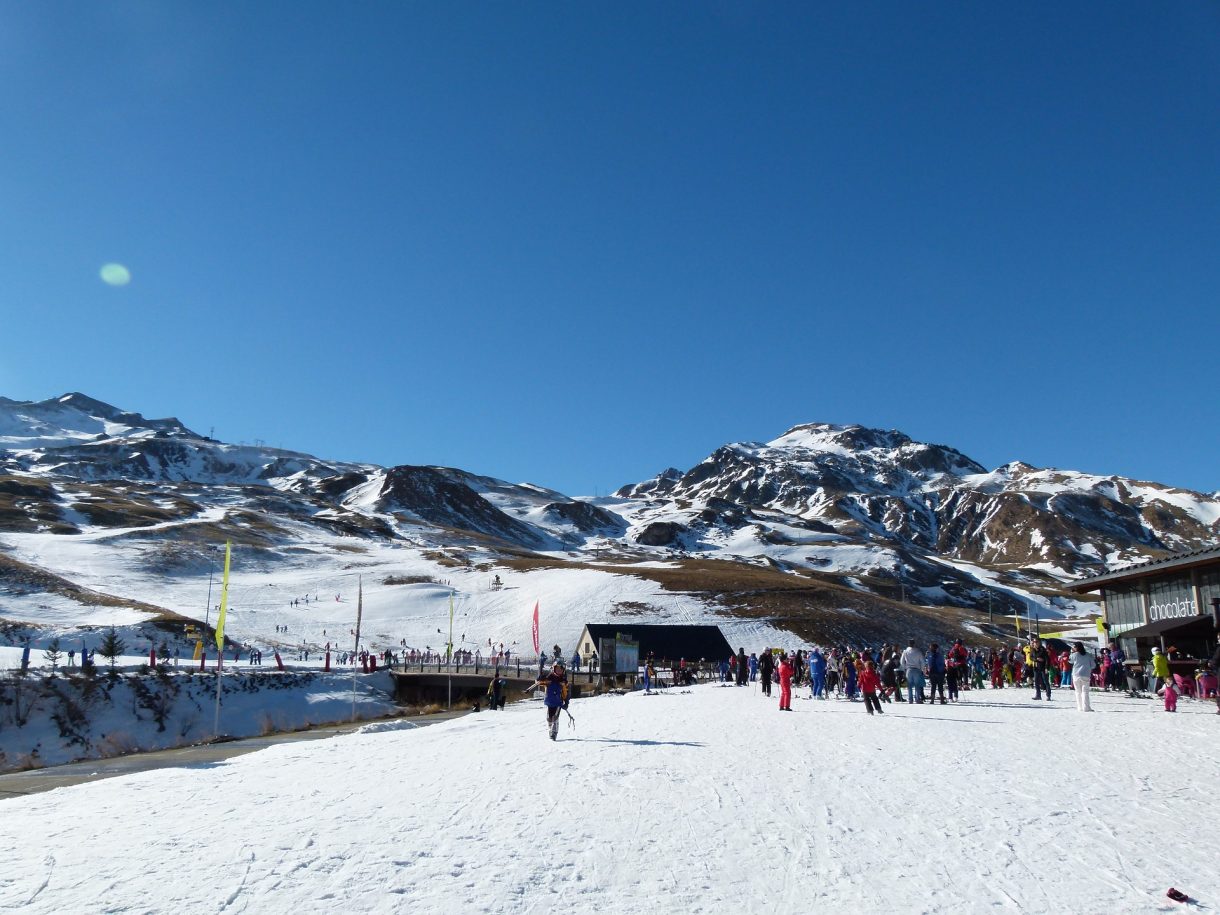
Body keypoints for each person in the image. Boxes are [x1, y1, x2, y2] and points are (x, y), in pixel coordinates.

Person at [536, 662, 569, 740]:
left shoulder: (563, 682)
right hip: (550, 702)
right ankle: (550, 730)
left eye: (560, 669)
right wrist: (541, 678)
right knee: (549, 718)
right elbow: (539, 682)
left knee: (555, 717)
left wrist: (566, 702)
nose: (559, 671)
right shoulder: (549, 679)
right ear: (554, 669)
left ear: (563, 670)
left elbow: (566, 692)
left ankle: (554, 733)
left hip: (558, 702)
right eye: (557, 669)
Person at [1070, 642, 1095, 712]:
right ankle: (1086, 707)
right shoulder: (1088, 655)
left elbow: (1070, 662)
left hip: (1076, 674)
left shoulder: (1074, 655)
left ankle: (1079, 707)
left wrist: (1072, 652)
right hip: (1085, 674)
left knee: (1078, 691)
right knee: (1085, 691)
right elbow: (1093, 665)